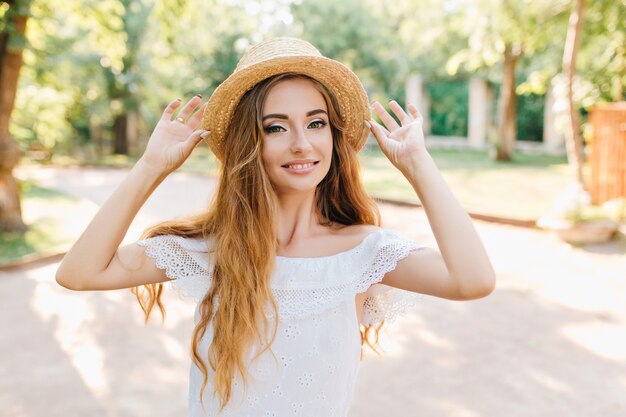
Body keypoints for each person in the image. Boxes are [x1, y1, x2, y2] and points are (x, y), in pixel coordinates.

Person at [56, 37, 495, 417]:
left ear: (333, 137)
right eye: (276, 127)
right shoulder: (211, 251)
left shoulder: (364, 252)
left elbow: (472, 280)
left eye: (316, 122)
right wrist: (151, 167)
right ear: (252, 143)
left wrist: (418, 166)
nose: (302, 143)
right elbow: (79, 273)